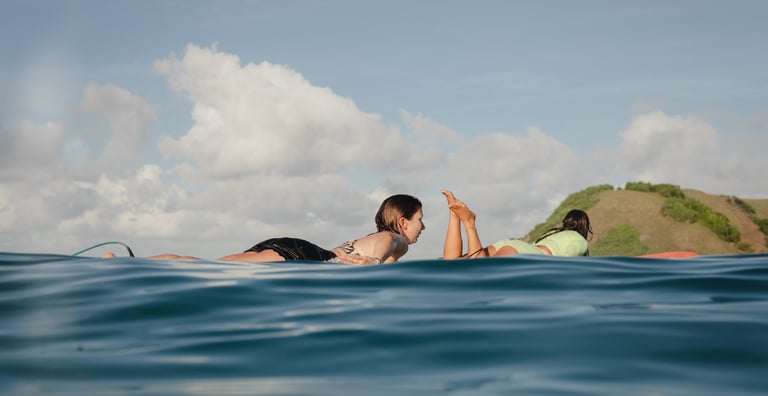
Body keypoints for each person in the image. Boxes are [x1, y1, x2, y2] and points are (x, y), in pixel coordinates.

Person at [116, 194, 425, 265]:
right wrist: (371, 264)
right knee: (201, 264)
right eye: (420, 219)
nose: (423, 226)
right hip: (304, 256)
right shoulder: (395, 239)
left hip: (299, 249)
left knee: (206, 264)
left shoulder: (366, 237)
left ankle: (128, 263)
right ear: (402, 222)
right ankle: (124, 264)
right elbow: (388, 245)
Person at [441, 190, 592, 259]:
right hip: (526, 253)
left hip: (514, 245)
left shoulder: (553, 233)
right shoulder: (580, 241)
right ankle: (469, 223)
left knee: (453, 263)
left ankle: (454, 213)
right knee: (479, 270)